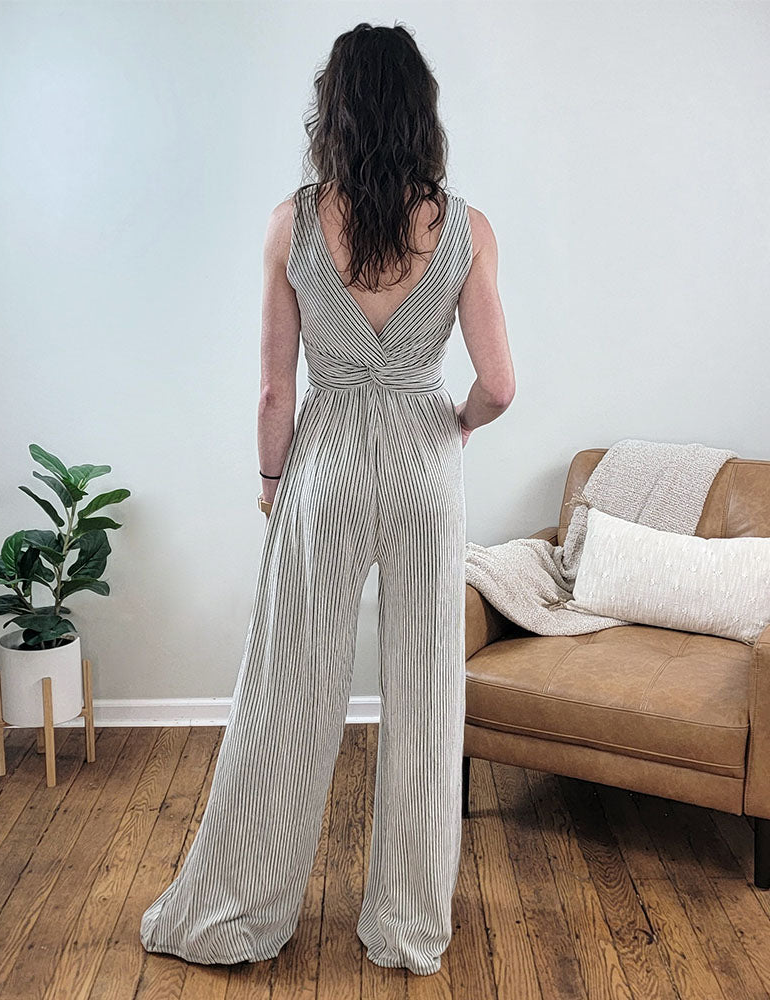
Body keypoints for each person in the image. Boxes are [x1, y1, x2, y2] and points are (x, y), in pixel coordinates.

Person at [140, 20, 515, 978]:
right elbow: (501, 384)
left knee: (288, 691)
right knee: (428, 692)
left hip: (332, 461)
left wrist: (273, 483)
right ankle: (405, 928)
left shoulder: (294, 223)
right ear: (420, 113)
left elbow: (273, 389)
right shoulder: (466, 230)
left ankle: (236, 914)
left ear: (334, 112)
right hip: (426, 464)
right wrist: (457, 424)